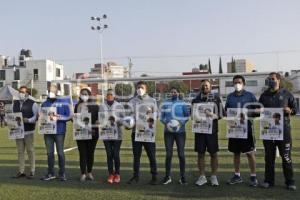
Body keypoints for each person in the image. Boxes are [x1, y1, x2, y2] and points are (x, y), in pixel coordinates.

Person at [259, 72, 297, 190]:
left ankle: (290, 182)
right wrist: (258, 109)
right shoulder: (264, 95)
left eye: (273, 79)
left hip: (283, 131)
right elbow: (258, 109)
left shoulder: (287, 93)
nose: (271, 81)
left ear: (279, 80)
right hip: (268, 131)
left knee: (286, 157)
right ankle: (268, 181)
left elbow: (295, 109)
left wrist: (290, 110)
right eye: (269, 79)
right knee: (269, 158)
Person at [225, 75, 258, 187]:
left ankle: (253, 176)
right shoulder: (229, 97)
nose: (237, 84)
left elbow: (259, 110)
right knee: (236, 153)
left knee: (250, 153)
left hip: (247, 129)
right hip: (234, 129)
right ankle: (237, 175)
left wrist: (247, 113)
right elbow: (226, 112)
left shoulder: (250, 95)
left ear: (244, 84)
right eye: (235, 82)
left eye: (239, 82)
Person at [192, 80, 224, 186]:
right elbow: (192, 114)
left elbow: (221, 114)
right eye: (203, 85)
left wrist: (212, 115)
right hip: (200, 130)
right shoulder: (196, 99)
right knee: (200, 154)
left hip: (212, 131)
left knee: (213, 153)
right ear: (200, 87)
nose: (205, 87)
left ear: (210, 87)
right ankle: (202, 176)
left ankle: (214, 176)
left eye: (207, 85)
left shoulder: (216, 98)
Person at [127, 81, 158, 185]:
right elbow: (129, 117)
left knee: (151, 155)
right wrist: (129, 124)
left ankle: (154, 176)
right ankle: (135, 176)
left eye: (142, 87)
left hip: (148, 133)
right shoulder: (132, 101)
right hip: (136, 132)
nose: (140, 89)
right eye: (138, 87)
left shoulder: (152, 101)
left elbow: (155, 116)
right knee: (136, 156)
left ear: (146, 89)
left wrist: (150, 114)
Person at [40, 84, 72, 181]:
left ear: (57, 91)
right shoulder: (44, 103)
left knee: (60, 153)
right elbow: (42, 117)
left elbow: (69, 116)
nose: (51, 92)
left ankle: (62, 173)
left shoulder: (64, 102)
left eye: (53, 90)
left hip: (59, 131)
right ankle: (50, 173)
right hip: (48, 131)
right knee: (49, 153)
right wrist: (41, 117)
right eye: (49, 90)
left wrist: (59, 117)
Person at [160, 87, 189, 185]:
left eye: (175, 92)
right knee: (168, 154)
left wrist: (181, 123)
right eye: (171, 92)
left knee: (181, 155)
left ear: (178, 93)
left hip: (180, 132)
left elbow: (187, 116)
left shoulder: (182, 103)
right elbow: (161, 117)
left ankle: (182, 176)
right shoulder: (165, 103)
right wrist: (166, 123)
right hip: (168, 133)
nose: (173, 93)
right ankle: (167, 176)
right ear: (169, 94)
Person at [12, 86, 38, 179]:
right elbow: (12, 115)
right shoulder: (14, 103)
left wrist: (28, 120)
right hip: (18, 132)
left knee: (30, 151)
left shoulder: (33, 103)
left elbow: (36, 116)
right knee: (20, 152)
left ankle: (32, 170)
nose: (21, 93)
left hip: (28, 131)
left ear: (27, 93)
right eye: (20, 91)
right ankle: (21, 171)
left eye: (23, 92)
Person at [99, 89, 124, 184]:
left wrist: (116, 119)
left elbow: (123, 120)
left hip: (117, 134)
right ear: (106, 96)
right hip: (106, 134)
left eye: (111, 94)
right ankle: (111, 173)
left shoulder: (119, 105)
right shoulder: (102, 106)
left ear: (114, 96)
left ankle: (117, 173)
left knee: (116, 154)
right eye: (108, 94)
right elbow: (100, 119)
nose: (109, 96)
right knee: (109, 154)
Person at [74, 88, 99, 182]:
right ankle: (83, 173)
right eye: (82, 94)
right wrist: (74, 118)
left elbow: (97, 119)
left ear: (89, 95)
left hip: (92, 133)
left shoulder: (95, 106)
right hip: (80, 133)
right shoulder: (77, 105)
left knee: (90, 153)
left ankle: (89, 172)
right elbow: (76, 119)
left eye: (86, 93)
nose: (84, 95)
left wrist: (95, 127)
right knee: (82, 153)